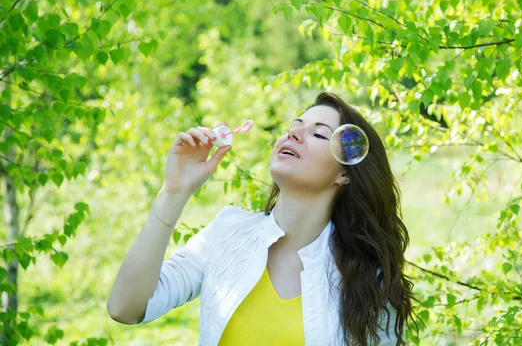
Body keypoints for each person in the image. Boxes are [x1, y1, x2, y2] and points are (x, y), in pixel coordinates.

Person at [107, 92, 417, 345]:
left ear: (344, 172)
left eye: (319, 134)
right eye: (295, 126)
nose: (294, 133)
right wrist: (174, 192)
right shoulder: (227, 232)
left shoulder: (366, 279)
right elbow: (125, 308)